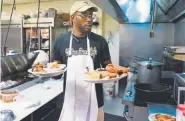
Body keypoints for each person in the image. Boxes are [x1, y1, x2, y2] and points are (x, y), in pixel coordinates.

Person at [52, 1, 111, 121]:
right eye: (84, 15)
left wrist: (111, 73)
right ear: (73, 18)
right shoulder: (60, 42)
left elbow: (108, 66)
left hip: (96, 101)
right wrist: (53, 71)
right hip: (70, 101)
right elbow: (56, 73)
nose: (89, 19)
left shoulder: (100, 41)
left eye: (90, 15)